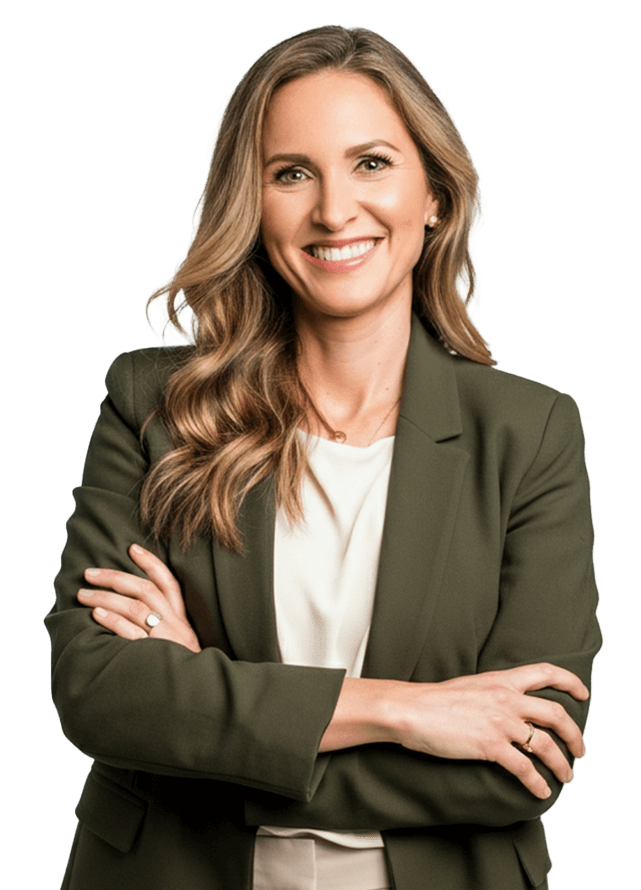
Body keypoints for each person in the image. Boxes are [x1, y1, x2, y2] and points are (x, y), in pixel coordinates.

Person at [46, 24, 601, 890]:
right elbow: (101, 692)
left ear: (435, 198)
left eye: (371, 163)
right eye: (290, 173)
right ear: (250, 202)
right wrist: (406, 712)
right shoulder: (154, 405)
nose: (334, 210)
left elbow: (521, 759)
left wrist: (207, 717)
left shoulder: (527, 433)